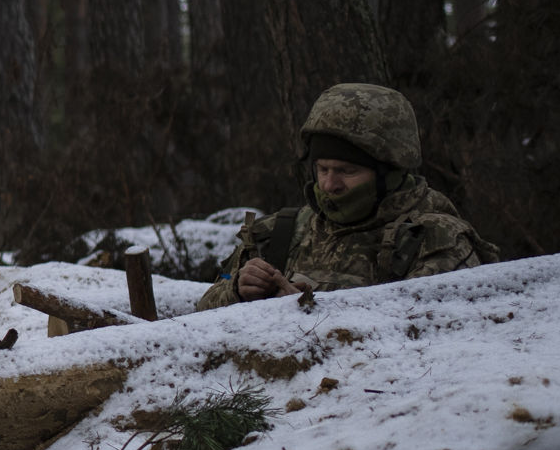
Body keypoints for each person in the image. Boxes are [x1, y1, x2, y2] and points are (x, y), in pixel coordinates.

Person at [199, 80, 489, 308]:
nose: (329, 185)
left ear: (389, 172)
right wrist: (236, 289)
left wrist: (302, 313)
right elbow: (202, 316)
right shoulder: (278, 234)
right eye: (322, 169)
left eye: (347, 171)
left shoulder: (435, 241)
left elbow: (432, 342)